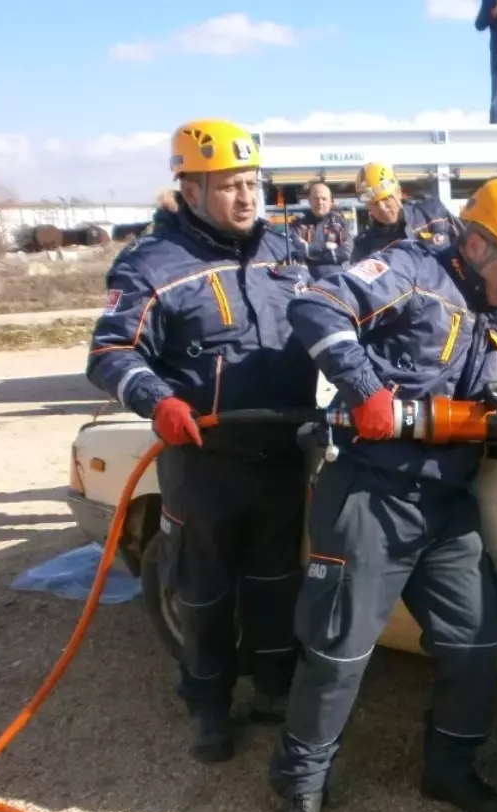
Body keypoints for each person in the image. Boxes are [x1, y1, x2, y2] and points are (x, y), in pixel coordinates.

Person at [267, 178, 497, 812]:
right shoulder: (412, 273)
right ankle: (301, 788)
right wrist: (364, 390)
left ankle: (449, 770)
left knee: (476, 643)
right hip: (373, 493)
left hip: (447, 505)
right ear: (478, 244)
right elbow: (315, 302)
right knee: (339, 654)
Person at [85, 119, 319, 763]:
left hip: (283, 454)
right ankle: (210, 707)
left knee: (277, 583)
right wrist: (157, 401)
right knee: (206, 592)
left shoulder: (288, 251)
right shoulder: (151, 263)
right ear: (188, 188)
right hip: (204, 462)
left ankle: (273, 689)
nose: (246, 198)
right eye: (227, 186)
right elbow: (110, 350)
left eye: (252, 183)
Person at [350, 161, 461, 261]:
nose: (382, 208)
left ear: (398, 192)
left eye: (386, 198)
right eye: (374, 203)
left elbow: (467, 248)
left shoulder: (433, 214)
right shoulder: (365, 247)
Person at [288, 180, 354, 280]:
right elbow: (296, 252)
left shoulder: (341, 225)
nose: (320, 202)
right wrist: (328, 247)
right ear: (309, 201)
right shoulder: (298, 226)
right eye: (316, 198)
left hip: (335, 281)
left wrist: (308, 249)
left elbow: (345, 253)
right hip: (305, 281)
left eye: (324, 199)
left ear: (331, 201)